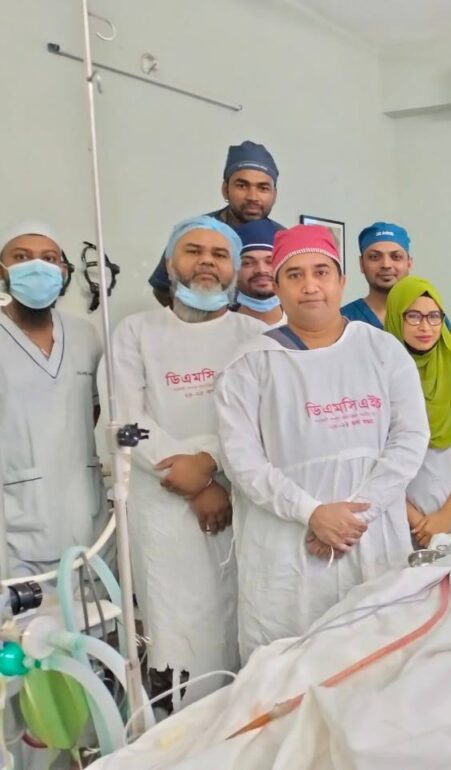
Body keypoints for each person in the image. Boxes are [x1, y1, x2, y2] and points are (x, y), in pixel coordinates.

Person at [216, 225, 429, 660]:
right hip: (287, 548)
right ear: (277, 286)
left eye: (321, 272)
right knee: (290, 668)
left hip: (372, 539)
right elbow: (241, 460)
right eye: (294, 275)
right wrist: (311, 513)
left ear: (341, 281)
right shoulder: (251, 363)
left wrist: (352, 518)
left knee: (381, 659)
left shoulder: (383, 350)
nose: (310, 286)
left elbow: (410, 438)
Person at [108, 216, 265, 705]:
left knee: (242, 627)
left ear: (234, 269)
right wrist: (192, 477)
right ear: (170, 263)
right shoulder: (135, 333)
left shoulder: (256, 337)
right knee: (174, 637)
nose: (206, 262)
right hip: (162, 508)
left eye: (219, 255)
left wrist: (210, 463)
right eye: (193, 251)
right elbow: (123, 418)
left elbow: (262, 420)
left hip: (240, 501)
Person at [0, 222, 103, 578]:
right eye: (21, 257)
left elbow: (93, 411)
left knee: (93, 605)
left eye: (49, 258)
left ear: (63, 271)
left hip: (84, 506)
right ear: (2, 271)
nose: (37, 266)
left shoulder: (85, 334)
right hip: (15, 513)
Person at [384, 277, 451, 547]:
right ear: (396, 318)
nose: (425, 327)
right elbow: (375, 462)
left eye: (433, 316)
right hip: (409, 524)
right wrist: (416, 520)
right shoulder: (380, 380)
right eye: (413, 316)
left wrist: (449, 512)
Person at [149, 141, 281, 307]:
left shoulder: (285, 240)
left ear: (274, 194)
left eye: (263, 188)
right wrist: (195, 316)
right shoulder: (194, 232)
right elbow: (162, 290)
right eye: (242, 186)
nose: (252, 197)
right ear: (225, 190)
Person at [341, 222, 413, 328]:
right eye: (374, 257)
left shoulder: (428, 317)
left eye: (396, 257)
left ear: (409, 263)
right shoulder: (343, 321)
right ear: (361, 264)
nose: (386, 265)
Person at [233, 219, 285, 326]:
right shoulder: (219, 328)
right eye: (248, 263)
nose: (261, 270)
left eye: (270, 261)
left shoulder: (306, 324)